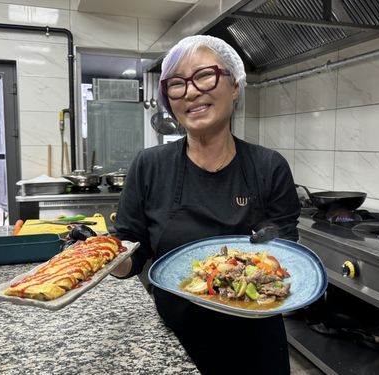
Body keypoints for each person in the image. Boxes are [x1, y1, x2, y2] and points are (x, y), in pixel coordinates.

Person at [111, 35, 300, 375]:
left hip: (255, 343)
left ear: (235, 86)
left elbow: (285, 248)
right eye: (177, 84)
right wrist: (107, 257)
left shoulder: (269, 166)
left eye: (204, 76)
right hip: (175, 341)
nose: (191, 91)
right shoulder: (150, 165)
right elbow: (131, 249)